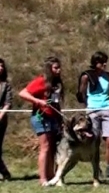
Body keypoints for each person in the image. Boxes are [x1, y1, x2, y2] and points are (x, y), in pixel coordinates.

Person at [18, 56, 64, 186]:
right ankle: (43, 179)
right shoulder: (40, 81)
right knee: (45, 147)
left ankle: (51, 176)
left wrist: (60, 117)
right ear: (49, 69)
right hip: (40, 117)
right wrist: (38, 101)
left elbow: (55, 102)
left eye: (59, 67)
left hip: (53, 117)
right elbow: (23, 93)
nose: (59, 70)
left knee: (52, 148)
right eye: (55, 68)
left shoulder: (56, 83)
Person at [78, 51, 109, 178]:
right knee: (94, 141)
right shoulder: (87, 76)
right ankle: (96, 168)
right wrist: (87, 107)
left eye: (106, 61)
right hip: (93, 110)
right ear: (95, 63)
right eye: (102, 62)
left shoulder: (108, 76)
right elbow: (81, 93)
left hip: (107, 109)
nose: (105, 64)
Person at [0, 58, 14, 181]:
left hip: (1, 120)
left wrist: (1, 115)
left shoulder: (6, 85)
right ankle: (4, 172)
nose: (0, 68)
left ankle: (5, 173)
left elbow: (8, 103)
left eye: (2, 66)